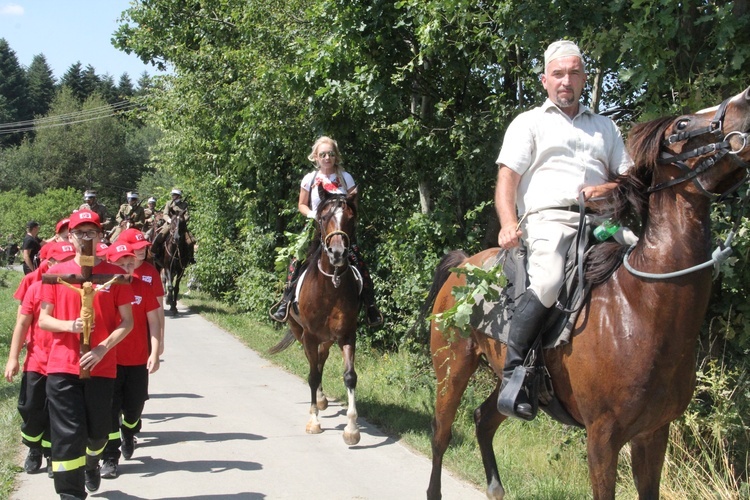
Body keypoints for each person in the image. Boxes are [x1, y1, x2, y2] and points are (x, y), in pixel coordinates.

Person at [494, 40, 633, 420]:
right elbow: (507, 179)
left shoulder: (606, 127)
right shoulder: (529, 123)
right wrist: (508, 224)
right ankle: (516, 374)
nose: (566, 80)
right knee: (551, 278)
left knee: (648, 252)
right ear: (544, 80)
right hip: (549, 219)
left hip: (602, 221)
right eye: (558, 73)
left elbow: (629, 179)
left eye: (573, 72)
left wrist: (605, 190)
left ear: (584, 78)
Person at [38, 209, 134, 499]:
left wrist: (103, 348)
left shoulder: (113, 276)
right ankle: (70, 494)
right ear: (71, 236)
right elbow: (44, 320)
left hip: (102, 367)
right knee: (68, 436)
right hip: (62, 366)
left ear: (100, 235)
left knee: (97, 434)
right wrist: (70, 325)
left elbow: (127, 322)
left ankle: (92, 462)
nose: (84, 238)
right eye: (79, 232)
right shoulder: (57, 274)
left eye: (91, 232)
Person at [270, 136, 383, 327]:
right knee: (297, 260)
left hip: (340, 229)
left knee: (359, 263)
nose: (327, 157)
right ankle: (286, 301)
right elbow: (301, 205)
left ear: (335, 155)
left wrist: (345, 220)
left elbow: (353, 205)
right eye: (323, 154)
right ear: (316, 157)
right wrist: (313, 215)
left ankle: (370, 306)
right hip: (317, 227)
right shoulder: (310, 179)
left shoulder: (345, 177)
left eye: (330, 153)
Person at [5, 241, 77, 477]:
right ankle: (33, 448)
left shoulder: (78, 289)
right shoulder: (36, 289)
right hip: (37, 361)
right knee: (31, 408)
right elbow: (22, 324)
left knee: (57, 414)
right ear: (51, 263)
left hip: (63, 363)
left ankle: (51, 454)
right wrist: (13, 358)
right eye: (61, 262)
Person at [99, 242, 161, 480]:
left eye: (129, 263)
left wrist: (155, 351)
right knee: (110, 409)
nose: (126, 268)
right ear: (109, 264)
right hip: (109, 360)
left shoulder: (142, 287)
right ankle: (110, 458)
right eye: (120, 264)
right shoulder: (102, 289)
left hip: (137, 359)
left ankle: (130, 430)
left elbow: (154, 321)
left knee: (134, 406)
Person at [151, 188, 193, 262]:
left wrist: (181, 220)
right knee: (159, 237)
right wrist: (170, 220)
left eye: (174, 195)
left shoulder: (184, 204)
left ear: (178, 196)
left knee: (191, 240)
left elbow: (187, 215)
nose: (173, 196)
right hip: (170, 224)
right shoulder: (169, 203)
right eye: (172, 195)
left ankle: (191, 257)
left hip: (181, 225)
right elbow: (165, 214)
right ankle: (156, 253)